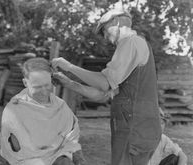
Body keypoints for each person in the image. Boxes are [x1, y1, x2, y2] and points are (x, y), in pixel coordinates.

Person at [51, 7, 162, 165]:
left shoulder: (131, 42)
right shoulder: (134, 48)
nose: (105, 37)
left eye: (104, 30)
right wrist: (70, 83)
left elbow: (104, 83)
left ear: (116, 22)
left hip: (134, 129)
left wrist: (69, 67)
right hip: (142, 129)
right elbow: (102, 95)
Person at [0, 58, 85, 165]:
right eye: (37, 87)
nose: (44, 91)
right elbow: (18, 149)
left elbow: (72, 140)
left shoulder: (61, 106)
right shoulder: (15, 109)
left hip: (58, 157)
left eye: (47, 85)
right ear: (25, 83)